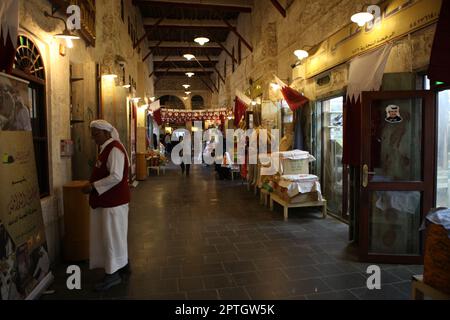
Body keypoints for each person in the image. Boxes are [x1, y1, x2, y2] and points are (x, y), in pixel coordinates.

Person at [82, 120, 131, 292]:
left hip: (113, 203)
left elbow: (116, 176)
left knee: (111, 238)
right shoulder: (108, 148)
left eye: (96, 134)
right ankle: (122, 265)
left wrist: (94, 186)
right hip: (110, 202)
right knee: (114, 236)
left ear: (106, 133)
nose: (93, 138)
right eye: (92, 134)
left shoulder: (114, 149)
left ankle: (113, 275)